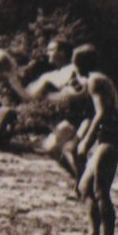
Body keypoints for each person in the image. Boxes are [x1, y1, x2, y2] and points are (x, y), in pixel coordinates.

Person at [70, 45, 118, 235]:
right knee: (85, 187)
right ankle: (92, 234)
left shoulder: (95, 81)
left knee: (100, 190)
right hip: (107, 137)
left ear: (78, 63)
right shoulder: (94, 80)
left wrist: (86, 141)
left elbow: (102, 113)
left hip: (113, 138)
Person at [26, 39, 89, 179]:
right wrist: (11, 77)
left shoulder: (75, 70)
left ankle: (86, 183)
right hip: (72, 119)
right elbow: (28, 97)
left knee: (72, 150)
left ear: (62, 52)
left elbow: (77, 95)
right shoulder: (51, 75)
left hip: (88, 118)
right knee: (52, 148)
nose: (47, 53)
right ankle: (81, 180)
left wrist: (49, 96)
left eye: (51, 49)